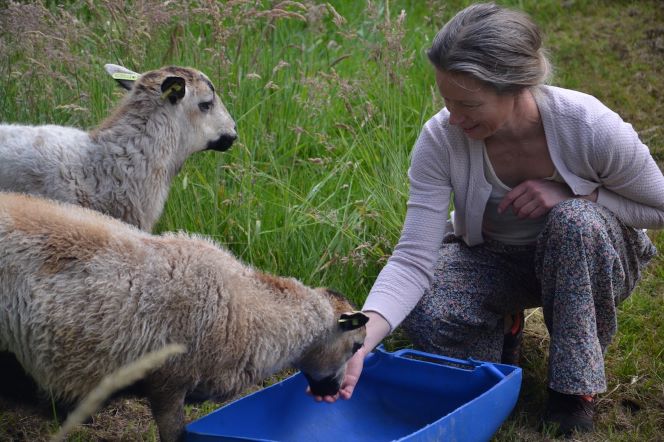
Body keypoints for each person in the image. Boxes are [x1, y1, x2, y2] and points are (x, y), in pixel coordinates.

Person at [312, 2, 664, 437]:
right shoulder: (441, 138)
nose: (454, 118)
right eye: (446, 100)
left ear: (516, 85)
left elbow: (659, 206)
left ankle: (573, 389)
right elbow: (412, 260)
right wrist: (356, 336)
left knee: (575, 221)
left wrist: (578, 193)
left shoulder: (588, 124)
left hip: (591, 259)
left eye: (469, 104)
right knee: (428, 307)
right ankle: (500, 344)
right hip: (495, 258)